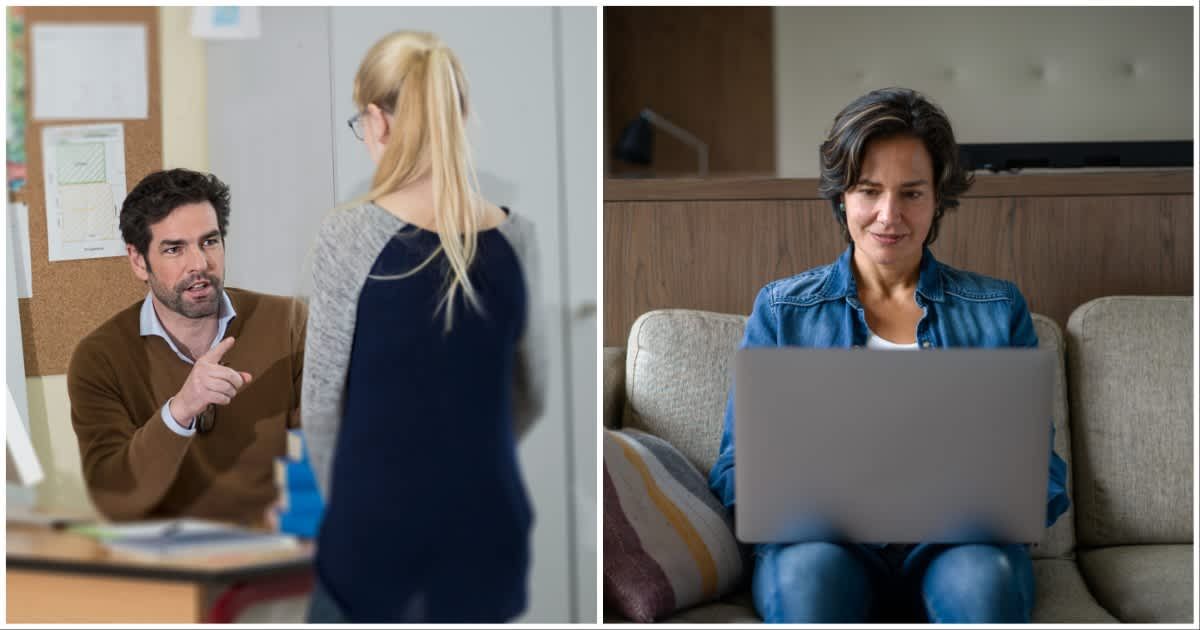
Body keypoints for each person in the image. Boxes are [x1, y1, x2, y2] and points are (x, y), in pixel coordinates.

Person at [707, 87, 1070, 623]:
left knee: (982, 585)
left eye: (912, 193)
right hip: (827, 546)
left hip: (957, 545)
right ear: (842, 197)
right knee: (805, 583)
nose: (888, 215)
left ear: (938, 198)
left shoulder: (998, 309)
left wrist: (995, 506)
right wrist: (800, 503)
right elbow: (736, 466)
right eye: (868, 190)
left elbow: (1040, 470)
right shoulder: (782, 310)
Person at [302, 31, 546, 623]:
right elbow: (529, 396)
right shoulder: (516, 235)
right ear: (457, 115)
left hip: (378, 553)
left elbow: (319, 408)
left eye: (362, 126)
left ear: (378, 122)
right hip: (489, 542)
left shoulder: (349, 236)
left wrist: (365, 506)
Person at [68, 168, 306, 524]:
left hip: (271, 552)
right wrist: (179, 411)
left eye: (210, 242)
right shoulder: (100, 358)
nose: (200, 264)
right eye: (174, 249)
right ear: (138, 261)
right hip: (163, 568)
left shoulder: (287, 321)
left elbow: (337, 444)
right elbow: (114, 499)